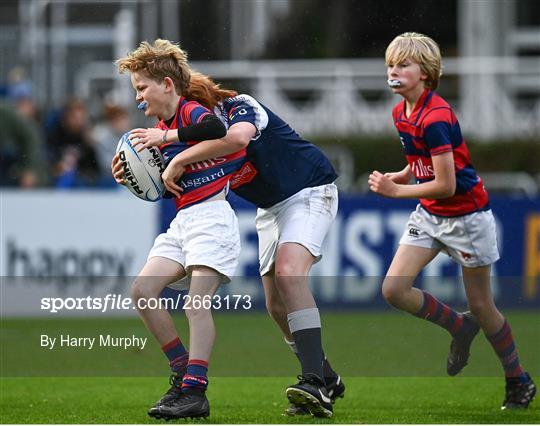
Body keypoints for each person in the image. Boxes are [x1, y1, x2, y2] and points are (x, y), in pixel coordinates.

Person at [116, 71, 345, 418]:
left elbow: (236, 139)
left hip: (308, 189)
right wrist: (133, 176)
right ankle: (325, 372)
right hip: (269, 207)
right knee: (276, 305)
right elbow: (177, 184)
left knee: (288, 275)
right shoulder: (189, 134)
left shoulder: (239, 106)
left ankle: (314, 381)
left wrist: (171, 146)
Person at [368, 32, 536, 410]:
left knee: (482, 305)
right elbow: (420, 166)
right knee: (394, 289)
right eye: (390, 65)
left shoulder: (436, 116)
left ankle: (518, 379)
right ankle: (458, 327)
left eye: (403, 65)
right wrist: (402, 176)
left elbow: (445, 184)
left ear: (425, 73)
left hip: (466, 218)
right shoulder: (400, 112)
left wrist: (396, 194)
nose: (394, 71)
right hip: (430, 214)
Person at [114, 39, 245, 420]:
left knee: (196, 303)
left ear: (167, 86)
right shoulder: (159, 128)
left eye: (142, 87)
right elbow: (157, 186)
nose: (138, 97)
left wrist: (167, 138)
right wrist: (129, 176)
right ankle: (182, 371)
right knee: (142, 290)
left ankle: (195, 392)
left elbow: (215, 126)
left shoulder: (188, 112)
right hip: (184, 221)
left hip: (212, 218)